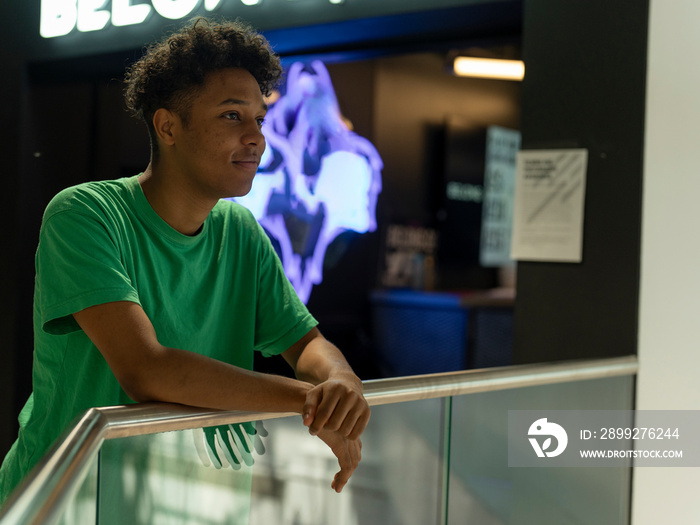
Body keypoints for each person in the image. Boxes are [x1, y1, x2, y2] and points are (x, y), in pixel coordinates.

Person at [0, 17, 370, 505]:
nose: (257, 137)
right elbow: (147, 370)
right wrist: (310, 402)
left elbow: (306, 344)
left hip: (191, 501)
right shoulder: (85, 213)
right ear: (168, 125)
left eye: (259, 118)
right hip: (68, 501)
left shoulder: (241, 232)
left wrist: (340, 382)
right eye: (232, 116)